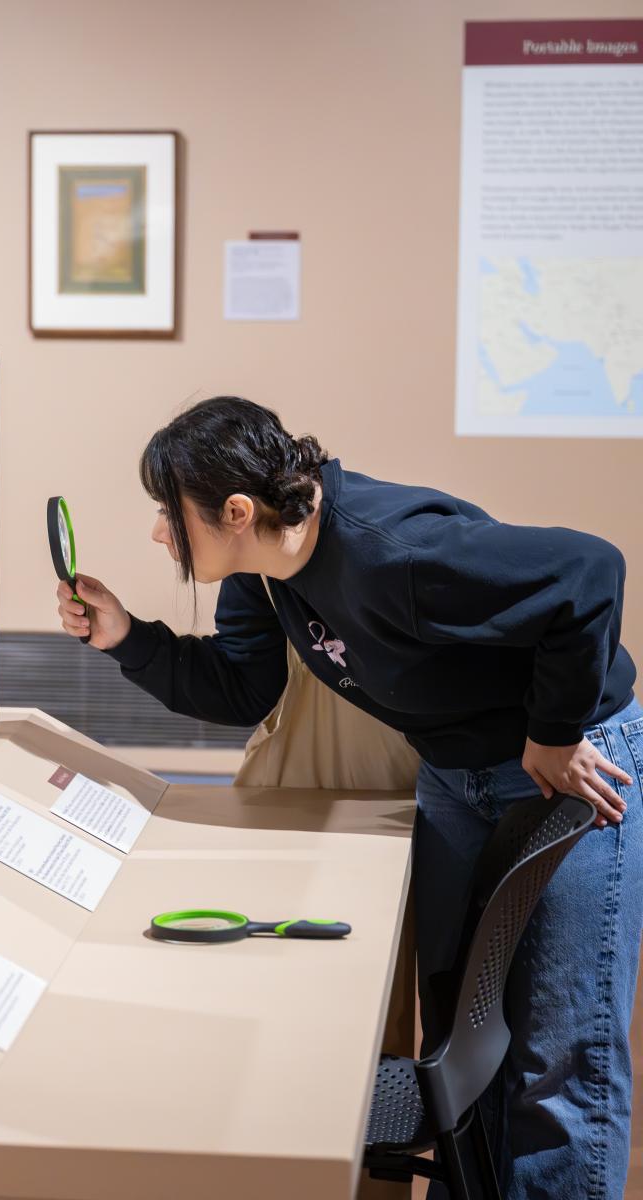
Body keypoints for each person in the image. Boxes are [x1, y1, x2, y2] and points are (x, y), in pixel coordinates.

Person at [57, 395, 639, 1199]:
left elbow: (590, 569)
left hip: (567, 762)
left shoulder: (392, 550)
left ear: (235, 511)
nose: (161, 532)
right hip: (455, 774)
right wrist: (127, 636)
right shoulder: (265, 575)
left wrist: (554, 729)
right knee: (465, 1040)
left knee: (559, 1056)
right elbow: (239, 686)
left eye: (169, 512)